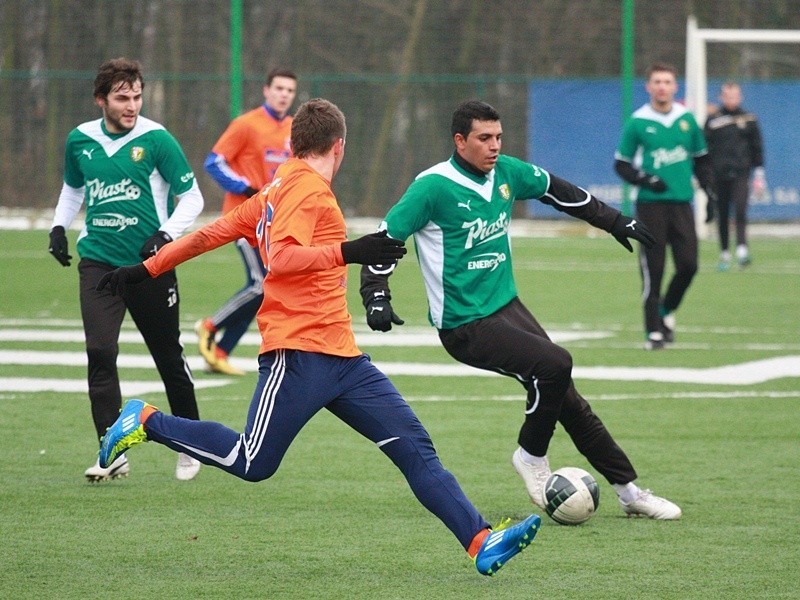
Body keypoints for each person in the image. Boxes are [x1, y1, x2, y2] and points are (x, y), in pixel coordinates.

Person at [96, 98, 541, 576]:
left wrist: (145, 269)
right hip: (298, 353)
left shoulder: (278, 187)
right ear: (339, 147)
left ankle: (480, 540)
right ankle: (144, 420)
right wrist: (351, 250)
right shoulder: (306, 190)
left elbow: (211, 234)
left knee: (414, 447)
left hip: (344, 359)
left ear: (293, 143)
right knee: (253, 461)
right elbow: (284, 258)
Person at [360, 99, 682, 520]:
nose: (494, 146)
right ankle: (531, 456)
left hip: (507, 307)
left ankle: (630, 492)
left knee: (567, 396)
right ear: (460, 141)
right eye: (484, 138)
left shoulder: (507, 172)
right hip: (465, 323)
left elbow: (559, 191)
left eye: (498, 137)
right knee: (554, 365)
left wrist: (613, 221)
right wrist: (376, 293)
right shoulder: (432, 187)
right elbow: (386, 237)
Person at [47, 57, 203, 482]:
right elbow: (73, 187)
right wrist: (59, 226)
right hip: (97, 262)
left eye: (136, 96)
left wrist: (166, 235)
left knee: (168, 357)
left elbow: (193, 199)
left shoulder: (157, 140)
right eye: (122, 97)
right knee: (100, 352)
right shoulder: (80, 140)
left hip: (149, 266)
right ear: (101, 100)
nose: (131, 104)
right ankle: (111, 451)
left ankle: (192, 445)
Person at [196, 68, 298, 375]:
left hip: (272, 223)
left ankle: (221, 351)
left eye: (290, 90)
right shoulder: (246, 124)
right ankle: (210, 325)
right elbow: (214, 162)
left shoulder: (294, 129)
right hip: (242, 218)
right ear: (266, 91)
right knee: (262, 282)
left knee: (268, 287)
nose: (284, 95)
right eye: (279, 88)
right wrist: (246, 188)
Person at [615, 62, 717, 350]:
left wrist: (710, 194)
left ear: (675, 87)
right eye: (657, 81)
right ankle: (653, 331)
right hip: (650, 206)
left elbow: (702, 159)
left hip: (682, 204)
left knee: (689, 266)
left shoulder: (686, 121)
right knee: (653, 269)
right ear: (648, 87)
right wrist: (645, 179)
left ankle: (666, 310)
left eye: (667, 81)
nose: (662, 86)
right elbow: (621, 164)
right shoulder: (638, 122)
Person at [704, 82, 765, 271]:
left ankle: (741, 249)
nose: (731, 99)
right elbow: (704, 149)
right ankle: (724, 252)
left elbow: (757, 147)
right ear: (721, 97)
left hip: (741, 173)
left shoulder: (749, 119)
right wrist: (705, 174)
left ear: (740, 97)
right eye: (728, 96)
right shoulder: (713, 120)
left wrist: (760, 174)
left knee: (740, 210)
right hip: (718, 175)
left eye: (735, 95)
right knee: (722, 214)